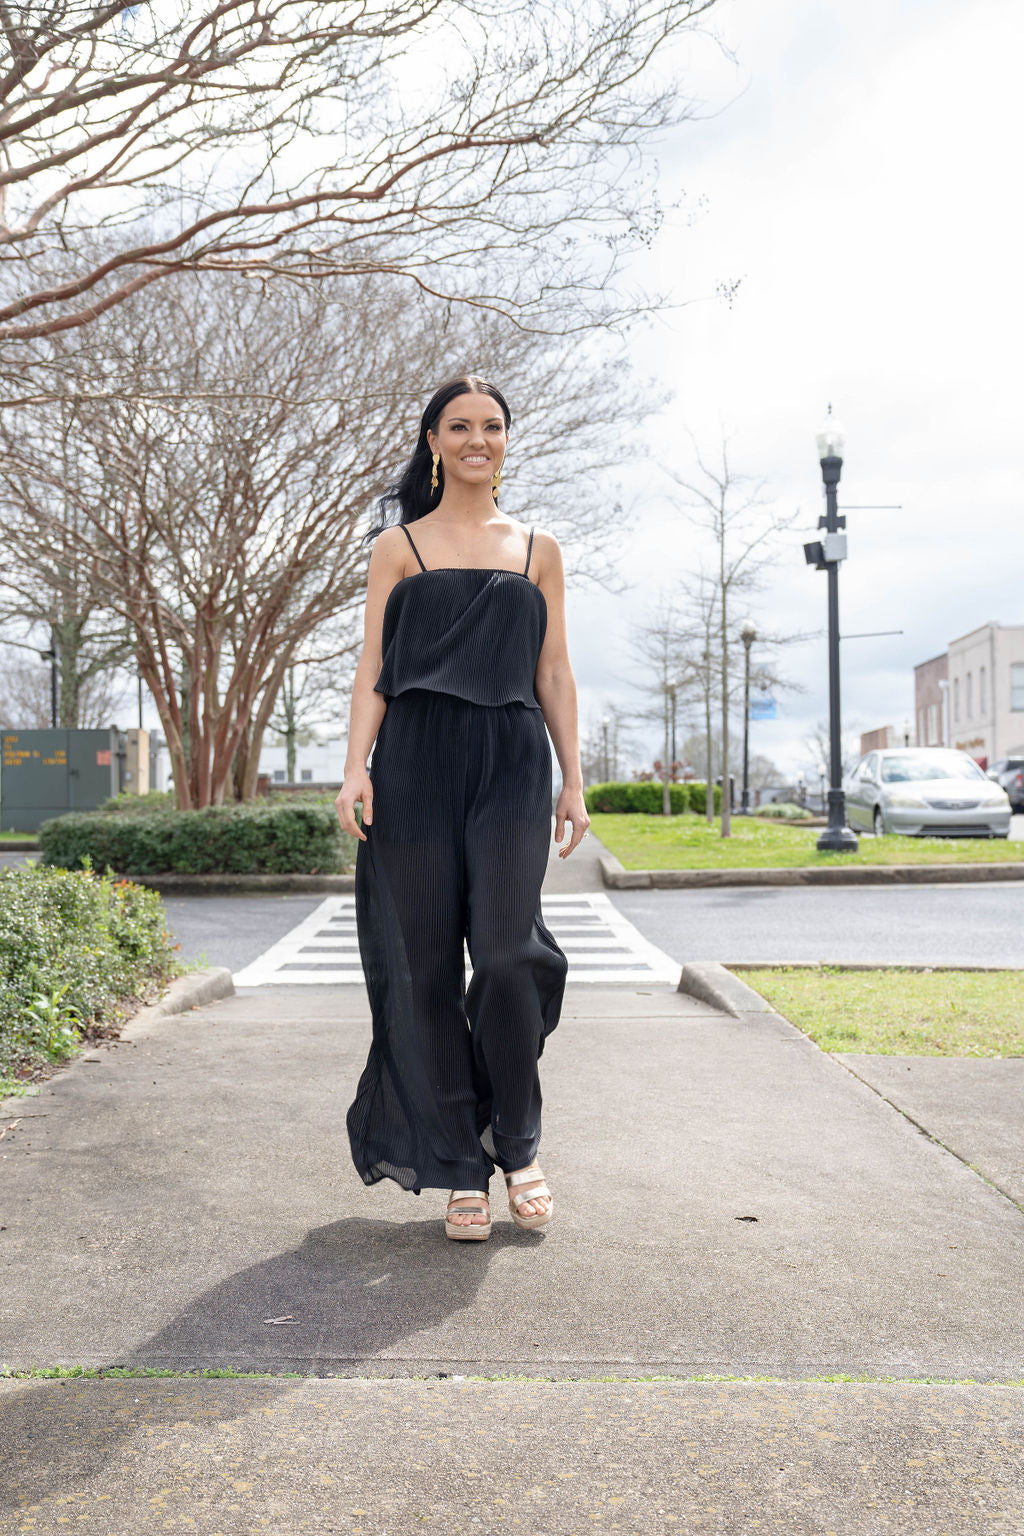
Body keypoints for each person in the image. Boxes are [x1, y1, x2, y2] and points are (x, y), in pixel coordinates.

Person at [335, 374, 590, 1242]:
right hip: (414, 767)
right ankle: (459, 1164)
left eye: (491, 426)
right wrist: (353, 768)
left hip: (512, 764)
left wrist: (575, 780)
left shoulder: (537, 550)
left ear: (507, 440)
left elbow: (553, 673)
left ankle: (517, 1141)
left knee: (512, 956)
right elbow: (375, 670)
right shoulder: (397, 546)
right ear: (434, 440)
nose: (476, 439)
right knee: (430, 970)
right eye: (459, 426)